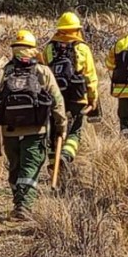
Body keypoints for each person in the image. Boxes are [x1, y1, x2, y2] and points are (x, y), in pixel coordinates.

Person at [0, 30, 67, 220]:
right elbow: (57, 101)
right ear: (33, 49)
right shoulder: (43, 72)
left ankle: (18, 202)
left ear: (13, 49)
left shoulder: (2, 73)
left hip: (9, 131)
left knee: (15, 167)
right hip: (36, 129)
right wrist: (61, 125)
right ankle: (24, 206)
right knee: (30, 167)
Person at [42, 12, 99, 164]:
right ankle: (66, 155)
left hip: (55, 96)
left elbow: (44, 73)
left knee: (55, 131)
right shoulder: (82, 48)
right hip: (77, 96)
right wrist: (92, 99)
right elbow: (90, 76)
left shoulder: (49, 48)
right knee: (75, 130)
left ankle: (54, 164)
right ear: (77, 29)